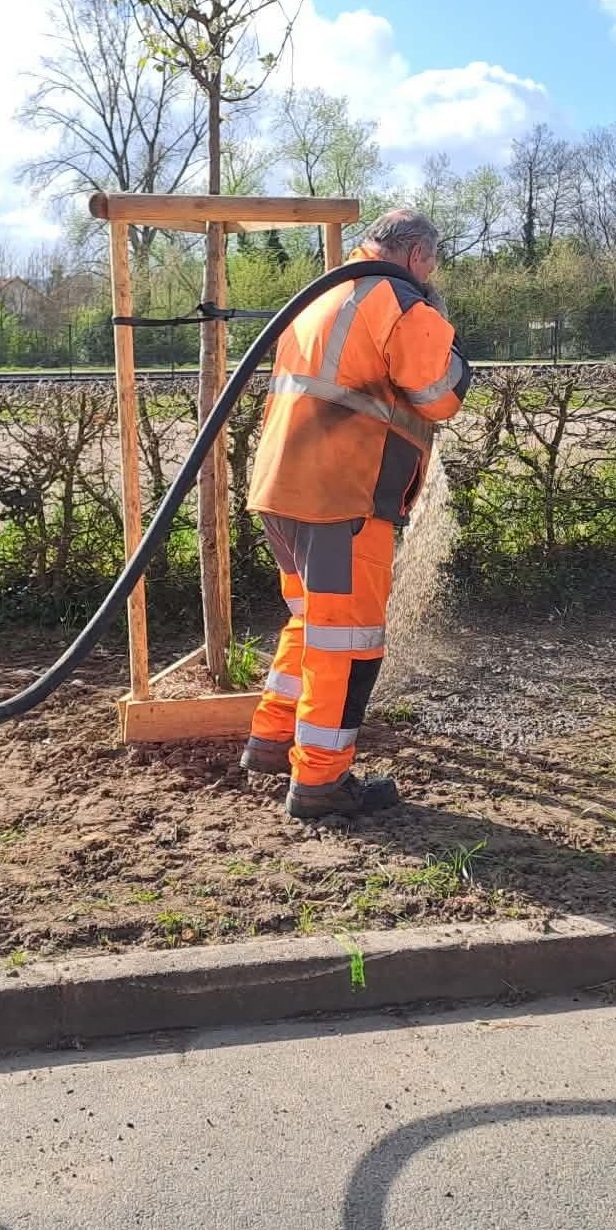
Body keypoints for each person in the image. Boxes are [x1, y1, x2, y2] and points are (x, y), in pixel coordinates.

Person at [239, 208, 472, 819]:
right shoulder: (396, 300)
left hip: (284, 491)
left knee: (311, 623)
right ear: (417, 254)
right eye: (433, 261)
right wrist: (452, 345)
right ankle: (321, 781)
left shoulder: (324, 294)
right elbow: (439, 396)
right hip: (342, 497)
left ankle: (271, 741)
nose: (432, 272)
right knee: (347, 643)